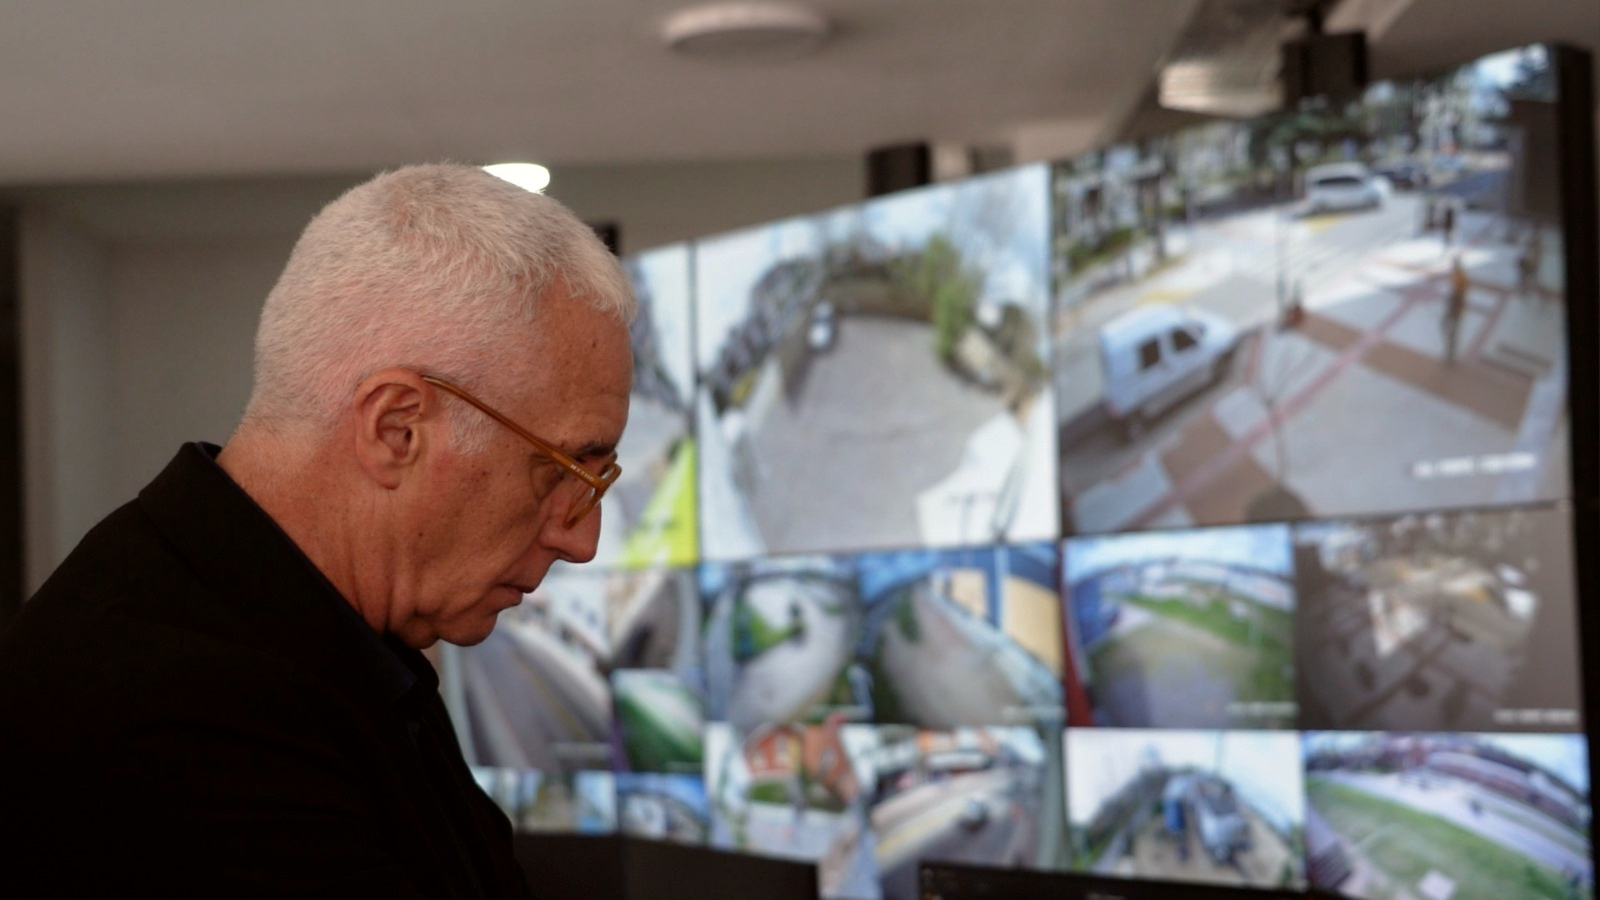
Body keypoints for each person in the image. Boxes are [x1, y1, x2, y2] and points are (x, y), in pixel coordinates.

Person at [0, 164, 635, 895]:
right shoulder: (177, 716)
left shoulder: (305, 642)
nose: (579, 540)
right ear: (396, 428)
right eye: (564, 471)